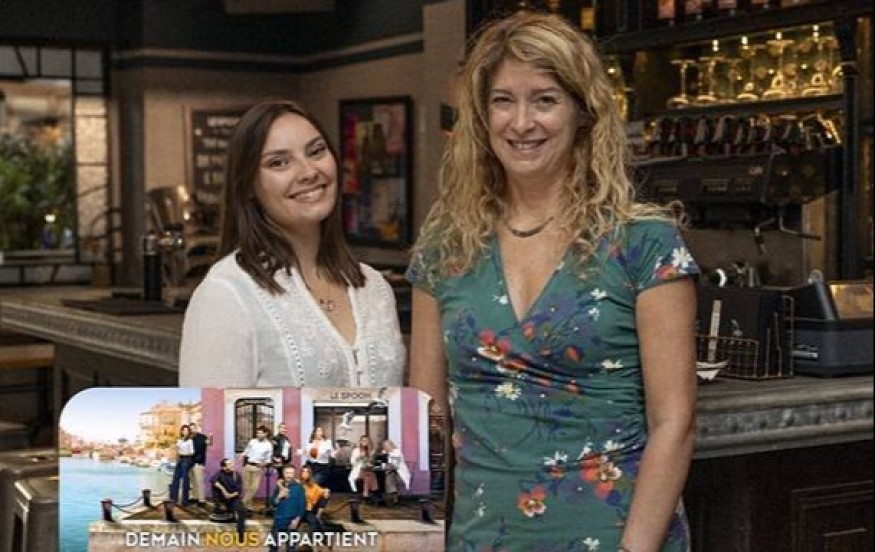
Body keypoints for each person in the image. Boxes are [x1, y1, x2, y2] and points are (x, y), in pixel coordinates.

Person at [406, 10, 699, 552]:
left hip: (616, 536)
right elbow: (429, 419)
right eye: (503, 101)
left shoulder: (643, 242)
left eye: (544, 100)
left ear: (582, 112)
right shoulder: (446, 243)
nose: (522, 123)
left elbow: (674, 423)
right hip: (481, 539)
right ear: (481, 115)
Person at [178, 99, 406, 388]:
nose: (309, 172)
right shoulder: (226, 293)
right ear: (248, 186)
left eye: (316, 151)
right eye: (279, 163)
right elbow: (209, 416)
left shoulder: (374, 287)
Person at [268, 465, 306, 552]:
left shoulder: (299, 487)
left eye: (291, 473)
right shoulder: (279, 486)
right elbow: (273, 503)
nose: (289, 475)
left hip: (292, 520)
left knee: (291, 547)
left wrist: (297, 519)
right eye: (287, 473)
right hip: (279, 520)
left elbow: (302, 505)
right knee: (273, 546)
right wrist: (279, 496)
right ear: (283, 473)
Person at [211, 457, 247, 539]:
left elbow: (239, 491)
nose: (231, 465)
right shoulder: (220, 473)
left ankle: (240, 532)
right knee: (215, 486)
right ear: (224, 467)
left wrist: (230, 495)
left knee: (241, 510)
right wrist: (223, 490)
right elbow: (213, 481)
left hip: (233, 498)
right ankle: (220, 507)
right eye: (229, 464)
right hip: (223, 499)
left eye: (231, 464)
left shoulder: (237, 475)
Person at [241, 425, 274, 511]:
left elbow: (268, 459)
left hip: (257, 468)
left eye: (260, 433)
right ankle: (248, 507)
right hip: (248, 466)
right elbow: (246, 452)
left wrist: (264, 464)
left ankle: (242, 504)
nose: (258, 434)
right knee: (247, 488)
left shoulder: (268, 445)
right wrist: (243, 459)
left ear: (265, 434)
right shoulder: (252, 441)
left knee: (254, 488)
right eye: (257, 433)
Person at [373, 439, 409, 506]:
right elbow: (380, 462)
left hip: (400, 473)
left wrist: (385, 459)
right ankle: (390, 497)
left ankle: (390, 497)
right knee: (385, 475)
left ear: (392, 445)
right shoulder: (384, 453)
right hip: (390, 472)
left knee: (388, 475)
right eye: (385, 446)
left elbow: (394, 464)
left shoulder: (397, 452)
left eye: (388, 445)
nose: (386, 447)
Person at [299, 464, 331, 533]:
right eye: (303, 472)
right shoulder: (297, 483)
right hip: (299, 510)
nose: (305, 474)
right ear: (301, 473)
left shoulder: (313, 485)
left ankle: (318, 515)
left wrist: (326, 491)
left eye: (307, 472)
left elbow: (323, 491)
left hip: (309, 509)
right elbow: (281, 482)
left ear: (310, 474)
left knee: (315, 524)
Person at [168, 424, 194, 506]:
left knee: (185, 480)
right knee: (175, 478)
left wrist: (183, 452)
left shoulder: (190, 441)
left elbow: (192, 452)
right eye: (183, 430)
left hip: (186, 459)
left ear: (188, 432)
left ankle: (185, 501)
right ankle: (173, 499)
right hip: (180, 460)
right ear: (181, 431)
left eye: (186, 430)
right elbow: (176, 450)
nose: (185, 432)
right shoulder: (179, 440)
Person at [346, 435, 378, 500]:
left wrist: (371, 460)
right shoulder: (356, 450)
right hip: (358, 471)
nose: (365, 442)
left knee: (369, 473)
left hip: (368, 469)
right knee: (368, 474)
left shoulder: (371, 451)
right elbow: (352, 462)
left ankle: (367, 493)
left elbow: (372, 463)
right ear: (360, 442)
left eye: (367, 441)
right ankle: (371, 492)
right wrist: (359, 457)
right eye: (363, 440)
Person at [188, 421, 211, 507]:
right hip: (189, 462)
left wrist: (211, 437)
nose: (192, 430)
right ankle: (194, 497)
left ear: (196, 428)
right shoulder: (188, 438)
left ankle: (201, 499)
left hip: (198, 462)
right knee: (192, 482)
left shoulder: (202, 437)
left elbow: (209, 443)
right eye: (190, 429)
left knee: (199, 481)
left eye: (193, 428)